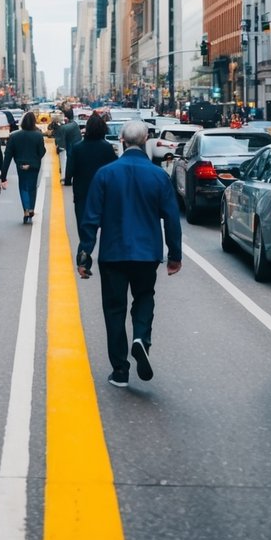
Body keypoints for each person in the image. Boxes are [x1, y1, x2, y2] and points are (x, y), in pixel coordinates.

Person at [77, 120, 182, 389]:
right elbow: (171, 218)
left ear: (122, 140)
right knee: (144, 297)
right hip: (147, 253)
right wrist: (174, 255)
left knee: (114, 310)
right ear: (146, 139)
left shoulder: (105, 174)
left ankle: (120, 371)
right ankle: (141, 339)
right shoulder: (158, 176)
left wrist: (84, 254)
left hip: (113, 253)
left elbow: (91, 218)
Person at [63, 113, 118, 228]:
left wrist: (68, 180)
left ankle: (85, 244)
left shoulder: (77, 147)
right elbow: (114, 169)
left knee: (83, 223)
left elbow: (70, 167)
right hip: (102, 190)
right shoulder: (107, 147)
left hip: (82, 191)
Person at [2, 111, 46, 224]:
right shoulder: (38, 135)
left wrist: (3, 176)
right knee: (32, 187)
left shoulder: (14, 136)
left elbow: (7, 156)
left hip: (20, 165)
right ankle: (31, 208)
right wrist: (35, 160)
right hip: (34, 166)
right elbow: (42, 151)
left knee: (23, 186)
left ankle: (26, 210)